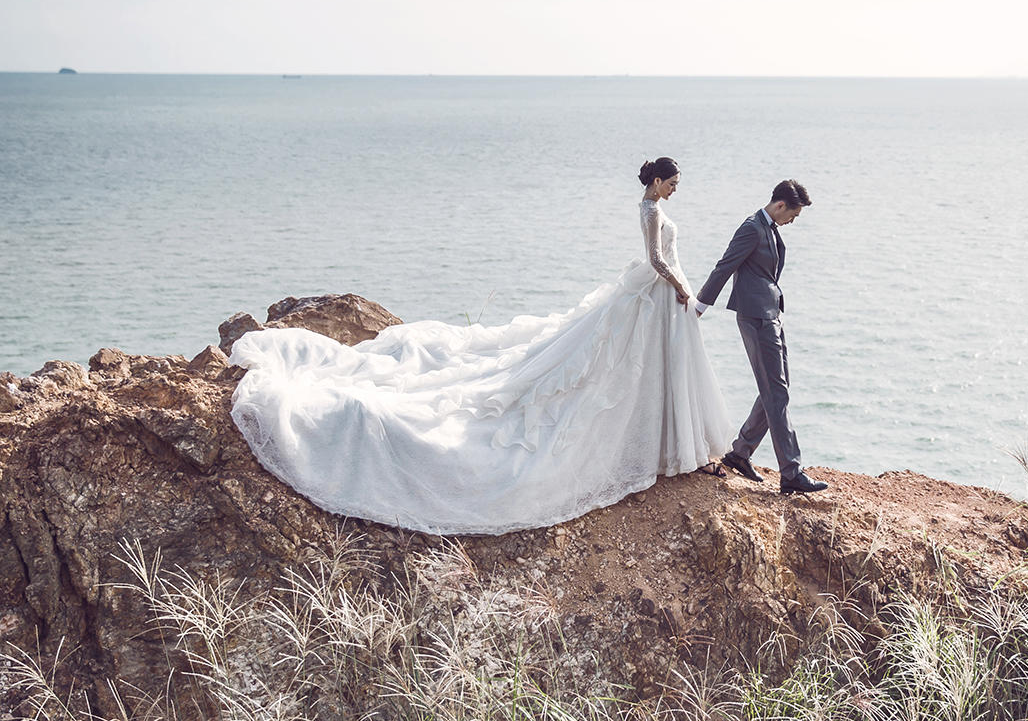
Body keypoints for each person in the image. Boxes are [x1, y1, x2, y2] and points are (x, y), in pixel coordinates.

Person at [229, 157, 731, 535]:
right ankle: (670, 445)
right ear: (657, 182)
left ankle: (674, 443)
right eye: (673, 184)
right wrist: (684, 290)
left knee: (651, 368)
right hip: (658, 292)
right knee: (616, 367)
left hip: (659, 298)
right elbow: (655, 260)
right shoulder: (649, 210)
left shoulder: (657, 207)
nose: (675, 191)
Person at [695, 180, 828, 495]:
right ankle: (791, 472)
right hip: (756, 318)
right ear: (780, 205)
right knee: (776, 392)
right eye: (792, 215)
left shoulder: (770, 229)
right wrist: (700, 306)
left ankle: (740, 453)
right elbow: (724, 266)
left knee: (777, 390)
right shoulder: (752, 228)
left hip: (772, 315)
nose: (792, 221)